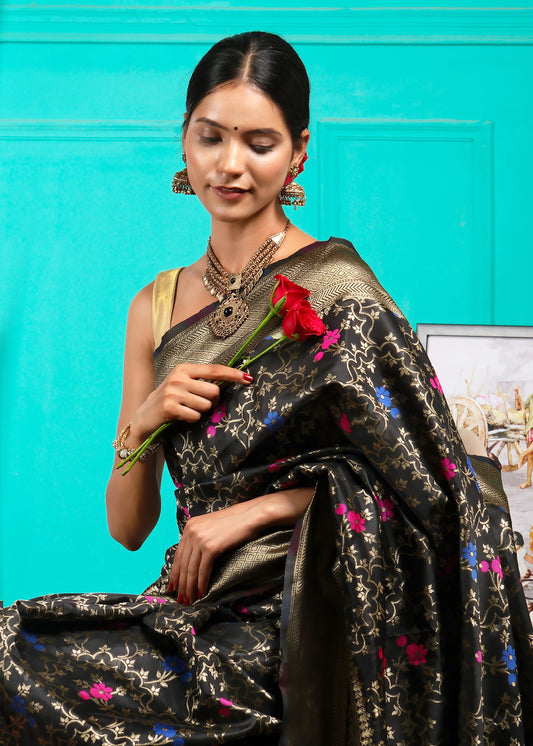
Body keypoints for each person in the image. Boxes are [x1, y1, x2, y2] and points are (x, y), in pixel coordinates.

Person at [1, 31, 532, 746]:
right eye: (211, 137)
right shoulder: (153, 307)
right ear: (183, 144)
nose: (230, 164)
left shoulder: (341, 288)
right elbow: (127, 530)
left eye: (258, 143)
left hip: (312, 611)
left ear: (296, 154)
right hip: (198, 606)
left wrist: (246, 516)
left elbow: (435, 489)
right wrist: (143, 426)